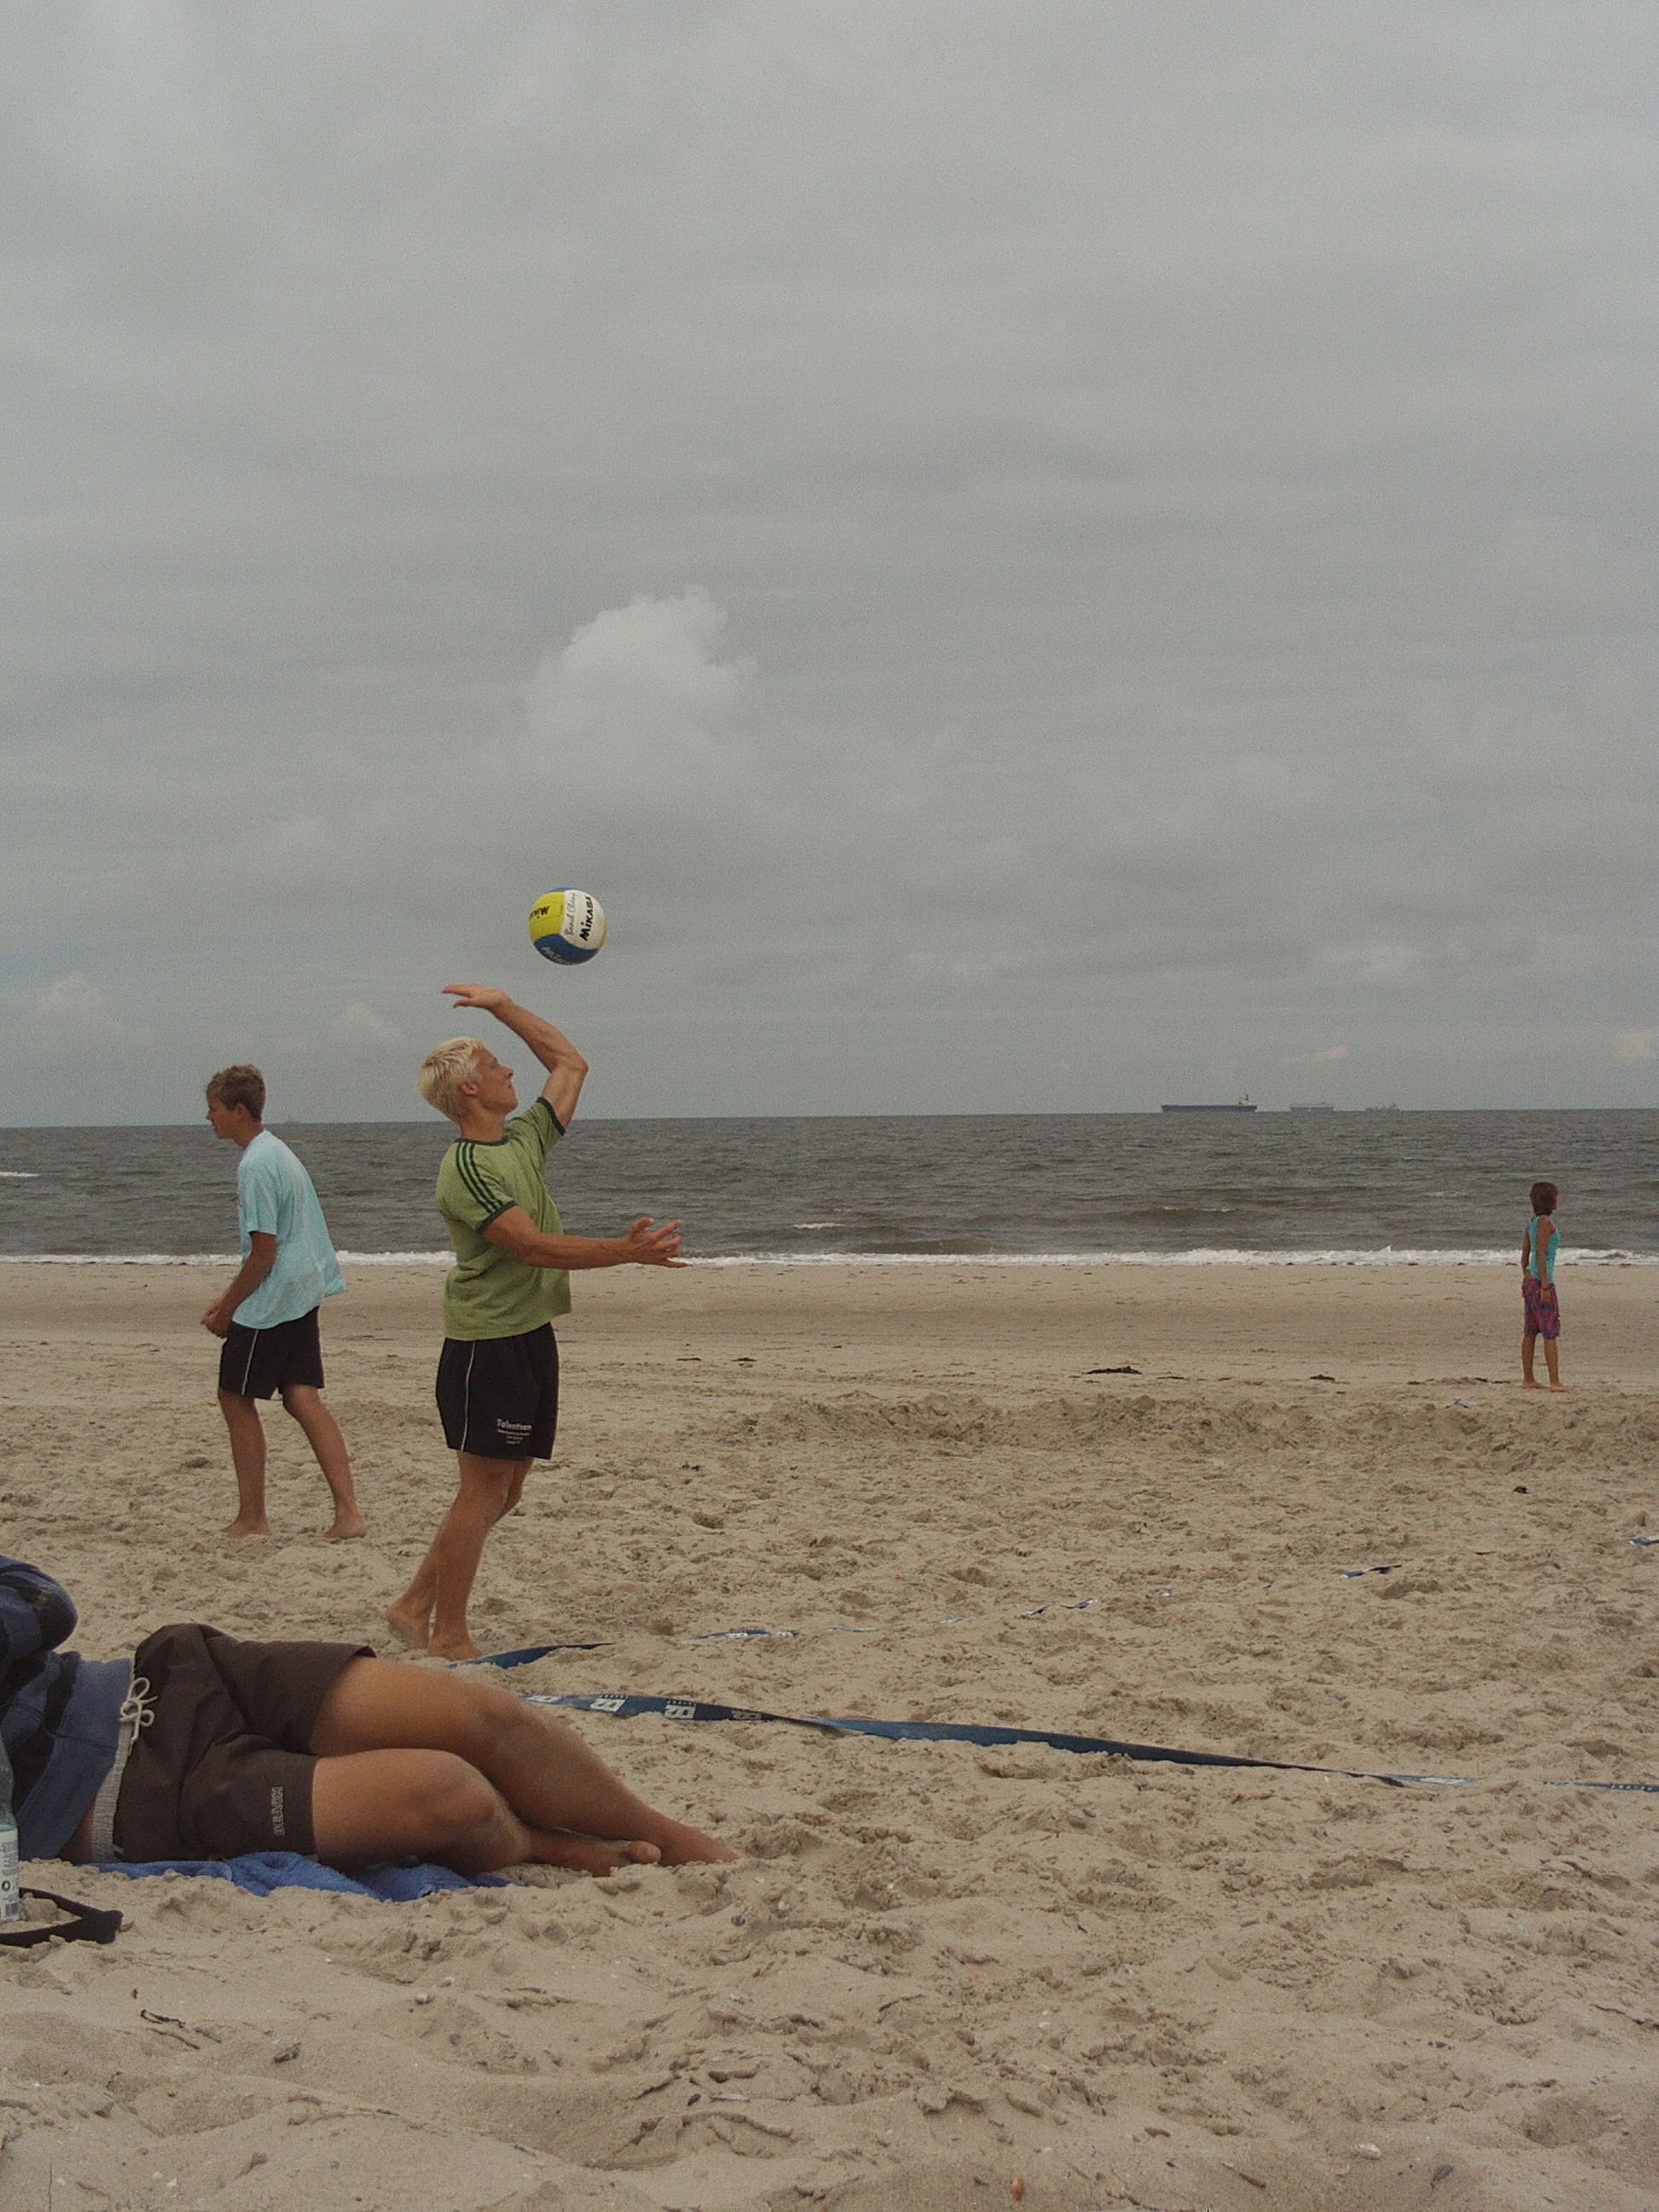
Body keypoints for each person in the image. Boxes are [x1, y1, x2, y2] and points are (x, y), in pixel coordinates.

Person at [1, 1556, 734, 1877]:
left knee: (482, 1715)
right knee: (454, 1795)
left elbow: (47, 1600)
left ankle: (666, 1832)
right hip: (131, 1797)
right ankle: (537, 1844)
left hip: (164, 1677)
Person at [389, 987, 683, 1662]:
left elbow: (569, 1063)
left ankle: (411, 1605)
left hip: (528, 1333)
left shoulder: (522, 1140)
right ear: (470, 1088)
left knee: (506, 1491)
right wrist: (624, 1252)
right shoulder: (465, 1168)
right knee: (481, 1491)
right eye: (494, 1064)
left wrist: (502, 1006)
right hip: (484, 1343)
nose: (509, 1069)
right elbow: (530, 1245)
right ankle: (448, 1633)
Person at [201, 1065, 366, 1539]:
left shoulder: (255, 1164)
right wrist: (226, 1298)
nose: (209, 1117)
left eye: (214, 1109)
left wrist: (228, 1310)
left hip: (275, 1300)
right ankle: (348, 1513)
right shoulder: (278, 1151)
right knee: (301, 1396)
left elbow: (263, 1253)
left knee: (234, 1396)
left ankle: (253, 1517)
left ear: (238, 1110)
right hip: (301, 1290)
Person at [1521, 1179, 1566, 1392]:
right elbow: (1539, 1253)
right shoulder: (1545, 1222)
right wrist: (1545, 1286)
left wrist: (1525, 1274)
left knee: (1530, 1331)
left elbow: (1525, 1255)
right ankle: (1554, 1381)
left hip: (1531, 1281)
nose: (1558, 1200)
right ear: (1549, 1199)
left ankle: (1528, 1378)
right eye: (1556, 1196)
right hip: (1541, 1282)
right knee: (1549, 1332)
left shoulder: (1532, 1222)